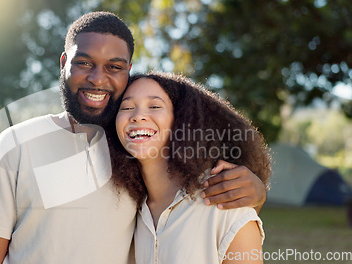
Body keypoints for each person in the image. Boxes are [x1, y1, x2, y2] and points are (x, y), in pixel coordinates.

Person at [0, 12, 267, 264]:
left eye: (113, 67)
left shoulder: (135, 151)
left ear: (127, 71)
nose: (96, 78)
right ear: (64, 63)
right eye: (84, 63)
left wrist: (256, 191)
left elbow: (189, 192)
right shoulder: (16, 144)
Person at [111, 71, 271, 263]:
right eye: (126, 107)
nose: (138, 116)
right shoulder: (130, 212)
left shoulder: (224, 202)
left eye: (154, 106)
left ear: (182, 120)